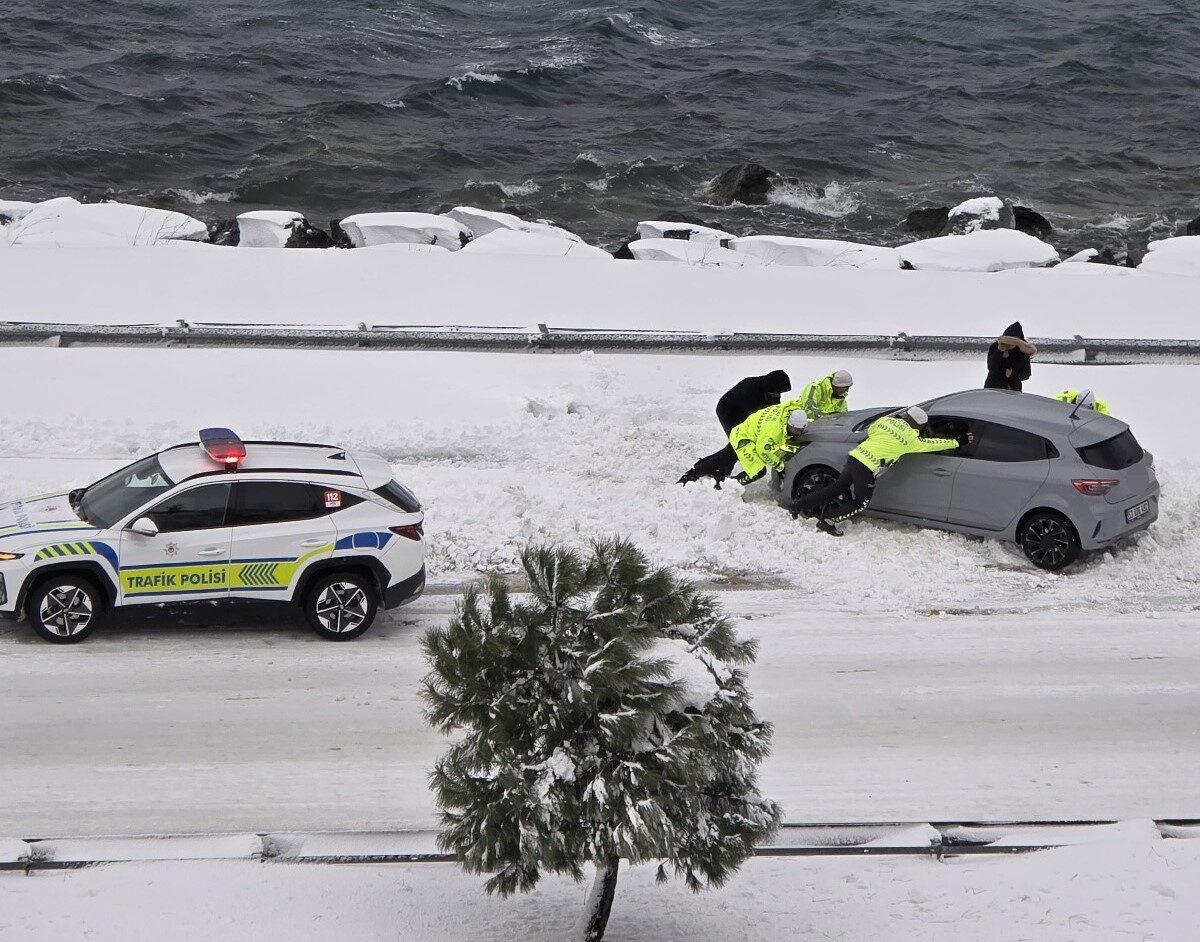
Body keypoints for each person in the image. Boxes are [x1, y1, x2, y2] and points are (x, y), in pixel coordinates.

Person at [790, 406, 966, 536]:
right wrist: (958, 441)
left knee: (834, 489)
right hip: (866, 467)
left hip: (855, 457)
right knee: (861, 503)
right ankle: (827, 520)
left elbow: (872, 431)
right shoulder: (911, 439)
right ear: (918, 426)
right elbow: (932, 444)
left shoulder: (886, 421)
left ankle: (797, 505)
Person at [678, 370, 791, 486]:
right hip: (728, 412)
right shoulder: (751, 389)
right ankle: (698, 474)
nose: (778, 395)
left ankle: (714, 471)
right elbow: (756, 419)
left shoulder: (771, 389)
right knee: (738, 447)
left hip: (743, 413)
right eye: (777, 392)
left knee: (735, 449)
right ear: (771, 387)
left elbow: (775, 410)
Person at [728, 401, 809, 485]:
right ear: (790, 424)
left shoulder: (792, 410)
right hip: (743, 438)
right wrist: (779, 466)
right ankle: (732, 485)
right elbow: (762, 450)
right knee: (759, 471)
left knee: (726, 457)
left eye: (801, 429)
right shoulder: (774, 431)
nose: (799, 433)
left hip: (752, 429)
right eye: (797, 430)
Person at [984, 322, 1037, 391]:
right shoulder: (995, 347)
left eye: (1013, 344)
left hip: (1014, 390)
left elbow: (1026, 374)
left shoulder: (1022, 351)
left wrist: (1012, 375)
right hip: (993, 387)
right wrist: (999, 352)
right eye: (1008, 342)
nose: (1009, 345)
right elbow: (991, 367)